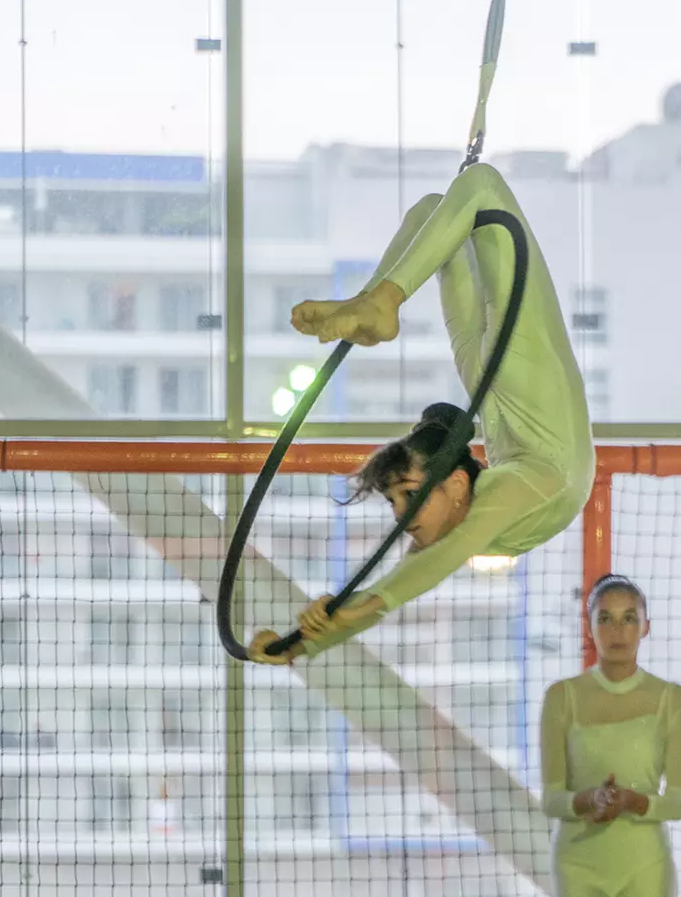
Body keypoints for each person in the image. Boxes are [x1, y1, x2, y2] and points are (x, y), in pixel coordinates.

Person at [247, 162, 595, 663]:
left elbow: (409, 576)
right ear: (456, 485)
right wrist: (319, 633)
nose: (398, 517)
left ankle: (376, 301)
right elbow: (429, 567)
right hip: (530, 381)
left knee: (433, 212)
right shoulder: (517, 490)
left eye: (402, 496)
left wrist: (303, 641)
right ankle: (378, 300)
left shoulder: (469, 505)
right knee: (482, 188)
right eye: (397, 500)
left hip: (495, 392)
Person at [539, 575, 681, 897]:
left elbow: (677, 803)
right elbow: (552, 800)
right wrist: (589, 799)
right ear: (589, 627)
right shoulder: (561, 696)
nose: (617, 630)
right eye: (605, 618)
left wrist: (632, 801)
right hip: (577, 866)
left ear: (645, 627)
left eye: (629, 618)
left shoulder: (675, 699)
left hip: (645, 866)